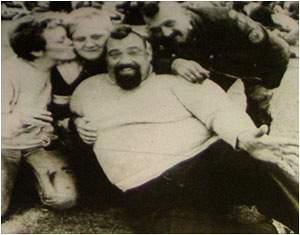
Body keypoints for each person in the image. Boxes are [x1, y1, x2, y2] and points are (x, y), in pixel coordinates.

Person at [70, 26, 298, 233]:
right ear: (105, 59)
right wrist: (73, 125)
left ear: (149, 54)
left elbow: (218, 110)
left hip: (204, 165)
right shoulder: (87, 90)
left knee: (253, 160)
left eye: (133, 52)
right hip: (147, 192)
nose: (124, 60)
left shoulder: (175, 80)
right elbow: (64, 120)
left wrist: (244, 137)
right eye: (115, 54)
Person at [141, 2, 290, 128]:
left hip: (254, 63)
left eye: (170, 24)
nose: (166, 33)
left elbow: (277, 49)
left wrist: (267, 84)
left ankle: (259, 148)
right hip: (213, 64)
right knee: (204, 107)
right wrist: (173, 63)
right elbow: (147, 59)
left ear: (185, 15)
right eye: (156, 29)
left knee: (257, 110)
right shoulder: (157, 35)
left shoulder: (222, 19)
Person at [2, 14, 77, 217]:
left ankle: (25, 178)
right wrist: (20, 118)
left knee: (64, 198)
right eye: (62, 41)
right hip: (4, 147)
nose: (71, 42)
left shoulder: (53, 69)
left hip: (36, 145)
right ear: (36, 51)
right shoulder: (8, 72)